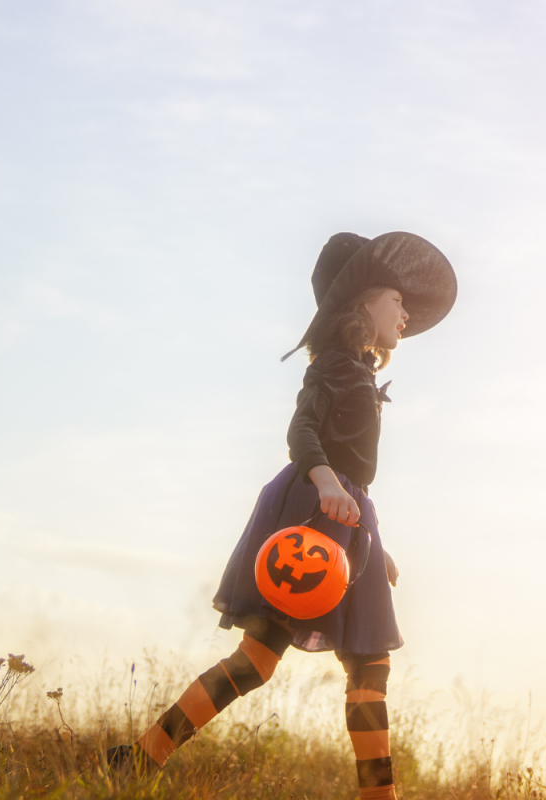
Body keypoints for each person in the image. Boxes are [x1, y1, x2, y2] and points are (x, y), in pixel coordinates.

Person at [107, 232, 457, 799]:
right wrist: (323, 485)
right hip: (314, 513)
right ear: (364, 302)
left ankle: (144, 757)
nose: (406, 311)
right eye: (396, 298)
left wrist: (372, 541)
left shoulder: (360, 372)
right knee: (261, 658)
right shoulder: (337, 367)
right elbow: (303, 433)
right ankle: (142, 756)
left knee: (363, 668)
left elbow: (354, 475)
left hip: (348, 518)